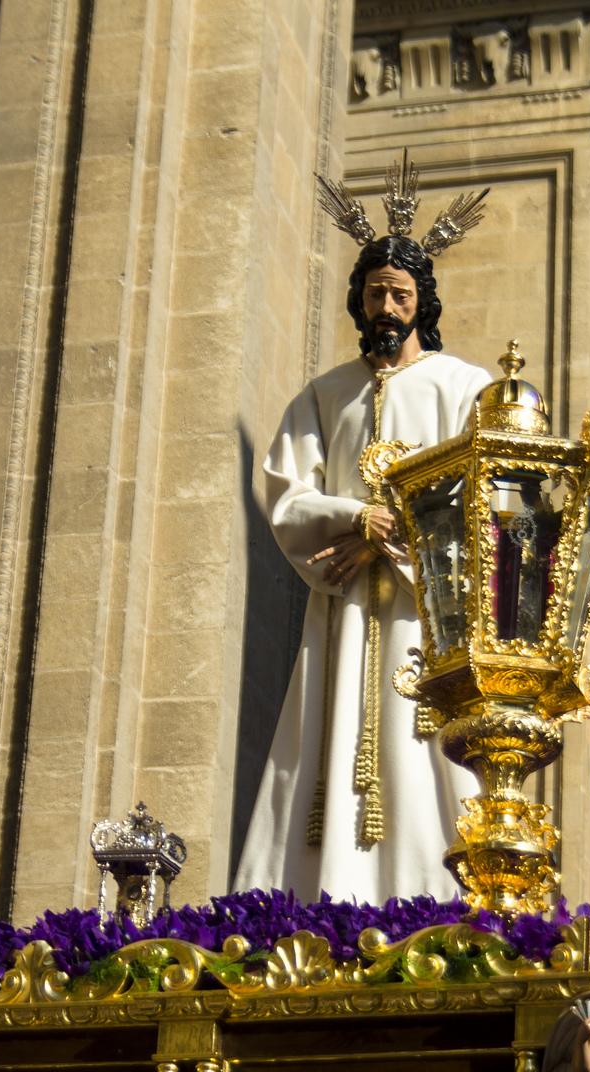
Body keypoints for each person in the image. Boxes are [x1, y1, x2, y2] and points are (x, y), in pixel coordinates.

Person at [233, 158, 495, 905]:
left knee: (425, 743)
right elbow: (288, 492)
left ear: (422, 303)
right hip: (343, 605)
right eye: (376, 290)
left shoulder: (463, 387)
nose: (387, 303)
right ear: (359, 299)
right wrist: (356, 518)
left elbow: (483, 491)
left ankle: (439, 894)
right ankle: (319, 897)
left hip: (426, 608)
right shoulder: (325, 395)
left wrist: (398, 533)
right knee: (329, 724)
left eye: (401, 293)